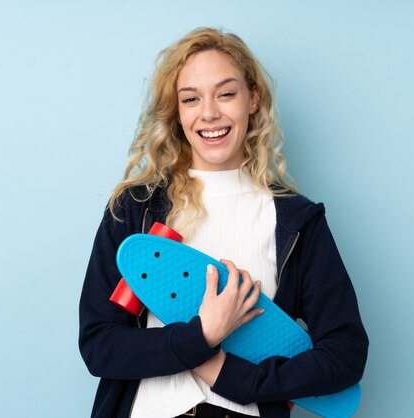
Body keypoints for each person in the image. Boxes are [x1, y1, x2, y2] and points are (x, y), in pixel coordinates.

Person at [78, 27, 368, 418]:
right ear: (177, 113)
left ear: (253, 99)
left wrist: (237, 377)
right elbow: (100, 345)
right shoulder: (135, 210)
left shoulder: (296, 222)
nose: (209, 112)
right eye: (191, 98)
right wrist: (203, 336)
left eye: (226, 93)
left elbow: (344, 356)